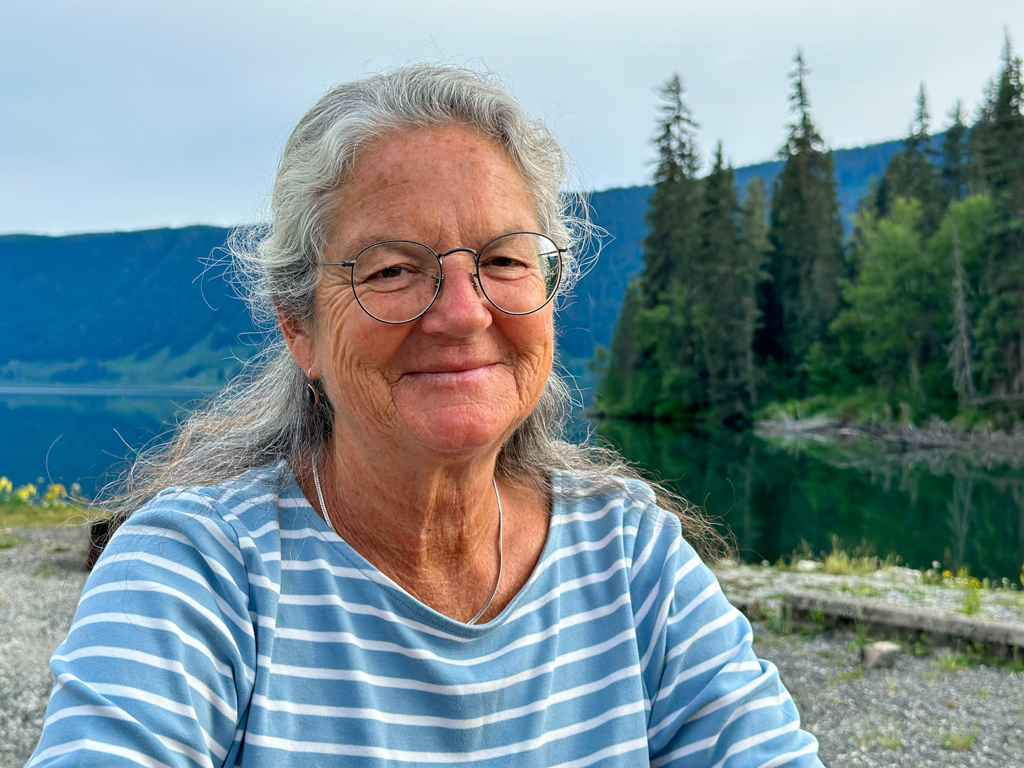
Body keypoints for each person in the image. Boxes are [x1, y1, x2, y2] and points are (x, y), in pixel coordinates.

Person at [29, 65, 822, 767]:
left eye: (505, 259)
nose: (463, 312)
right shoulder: (200, 571)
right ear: (298, 326)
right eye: (394, 269)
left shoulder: (630, 558)